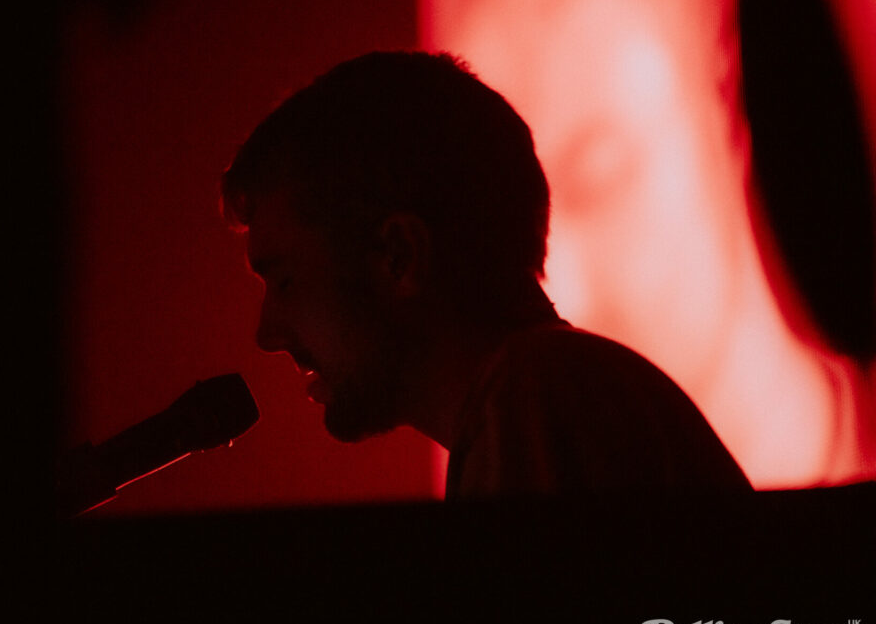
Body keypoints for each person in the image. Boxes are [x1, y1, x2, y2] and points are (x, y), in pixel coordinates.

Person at [221, 51, 752, 498]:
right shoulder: (548, 394)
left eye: (285, 279)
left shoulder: (533, 396)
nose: (267, 334)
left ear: (397, 255)